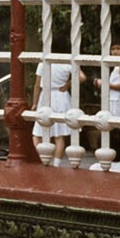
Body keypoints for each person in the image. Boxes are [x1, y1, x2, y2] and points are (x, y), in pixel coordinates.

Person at [32, 31, 76, 163]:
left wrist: (34, 103)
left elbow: (37, 85)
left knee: (37, 134)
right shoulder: (66, 62)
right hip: (61, 97)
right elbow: (82, 77)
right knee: (59, 135)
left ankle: (43, 159)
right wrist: (67, 85)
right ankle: (56, 164)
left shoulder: (44, 63)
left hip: (46, 96)